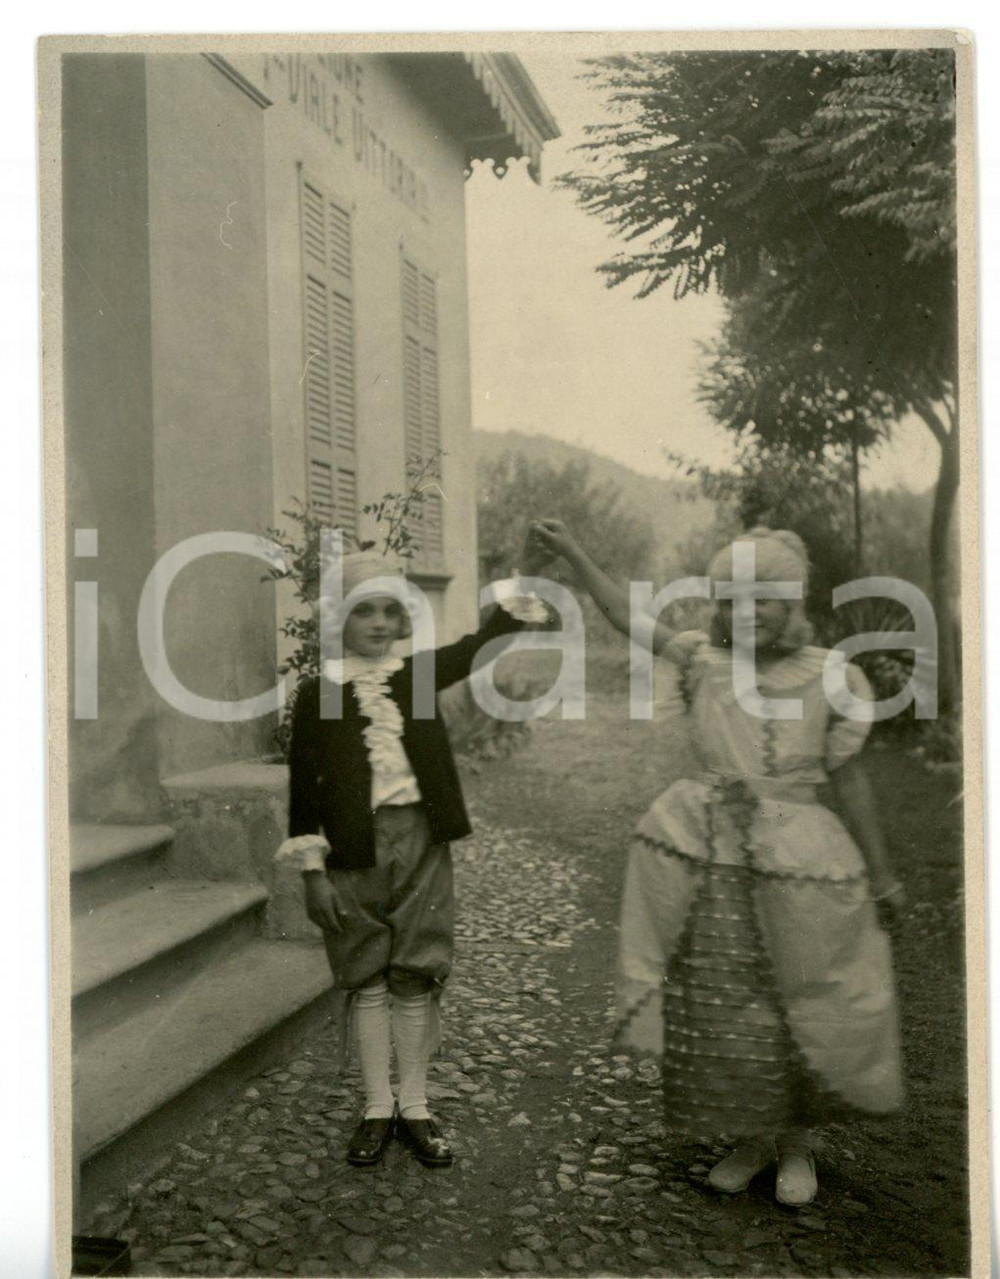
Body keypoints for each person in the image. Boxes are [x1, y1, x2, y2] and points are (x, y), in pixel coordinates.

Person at [529, 520, 905, 1207]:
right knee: (729, 996)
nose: (747, 612)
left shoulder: (832, 674)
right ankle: (754, 1134)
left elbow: (851, 781)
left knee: (801, 989)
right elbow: (624, 614)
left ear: (793, 601)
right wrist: (575, 550)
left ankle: (798, 1145)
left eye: (764, 598)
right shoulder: (703, 659)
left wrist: (883, 877)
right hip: (715, 854)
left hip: (802, 860)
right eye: (732, 600)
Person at [274, 538, 549, 1170]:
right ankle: (376, 1107)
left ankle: (416, 1105)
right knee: (365, 974)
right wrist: (313, 873)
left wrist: (522, 583)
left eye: (388, 613)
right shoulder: (318, 694)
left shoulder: (418, 675)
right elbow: (303, 789)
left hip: (419, 841)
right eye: (363, 612)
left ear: (402, 620)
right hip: (350, 849)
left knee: (414, 973)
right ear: (339, 619)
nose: (376, 624)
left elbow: (478, 644)